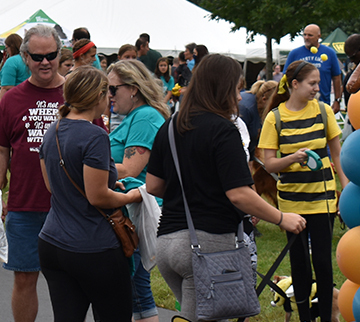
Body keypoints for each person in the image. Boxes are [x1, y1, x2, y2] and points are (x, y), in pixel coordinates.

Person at [145, 55, 307, 321]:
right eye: (235, 88)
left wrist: (192, 191)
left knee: (200, 315)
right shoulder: (224, 130)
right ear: (221, 89)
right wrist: (281, 217)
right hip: (205, 244)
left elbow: (154, 184)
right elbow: (239, 193)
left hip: (167, 243)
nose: (241, 97)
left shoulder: (170, 127)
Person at [38, 65, 141, 322]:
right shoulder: (95, 135)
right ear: (98, 95)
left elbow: (53, 185)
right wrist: (133, 196)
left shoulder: (53, 131)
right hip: (92, 246)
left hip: (53, 241)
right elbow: (97, 197)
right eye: (109, 92)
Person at [0, 24, 63, 322]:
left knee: (67, 282)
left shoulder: (76, 94)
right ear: (25, 57)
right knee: (25, 279)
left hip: (69, 207)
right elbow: (0, 150)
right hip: (24, 205)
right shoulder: (11, 99)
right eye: (38, 56)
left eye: (51, 55)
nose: (45, 62)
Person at [259, 60, 347, 322]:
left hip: (323, 198)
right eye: (312, 83)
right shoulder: (274, 118)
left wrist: (345, 187)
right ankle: (305, 317)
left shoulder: (323, 111)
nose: (317, 88)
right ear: (294, 84)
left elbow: (337, 153)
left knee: (322, 262)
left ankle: (325, 317)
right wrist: (293, 158)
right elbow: (270, 163)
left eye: (318, 83)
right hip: (292, 204)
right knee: (299, 263)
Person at [105, 60, 170, 322]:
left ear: (132, 88)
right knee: (134, 291)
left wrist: (91, 168)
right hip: (133, 208)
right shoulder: (137, 116)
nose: (108, 95)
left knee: (137, 289)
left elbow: (131, 168)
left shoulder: (145, 117)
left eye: (112, 89)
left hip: (138, 212)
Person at [285, 24, 343, 110]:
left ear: (319, 36)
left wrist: (337, 100)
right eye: (304, 35)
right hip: (298, 105)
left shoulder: (329, 53)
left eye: (310, 35)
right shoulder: (294, 54)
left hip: (322, 103)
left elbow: (336, 77)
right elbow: (285, 77)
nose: (306, 37)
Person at [0, 34, 29, 98]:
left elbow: (6, 88)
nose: (7, 51)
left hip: (16, 99)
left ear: (11, 47)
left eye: (6, 48)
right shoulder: (29, 59)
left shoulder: (11, 61)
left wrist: (1, 107)